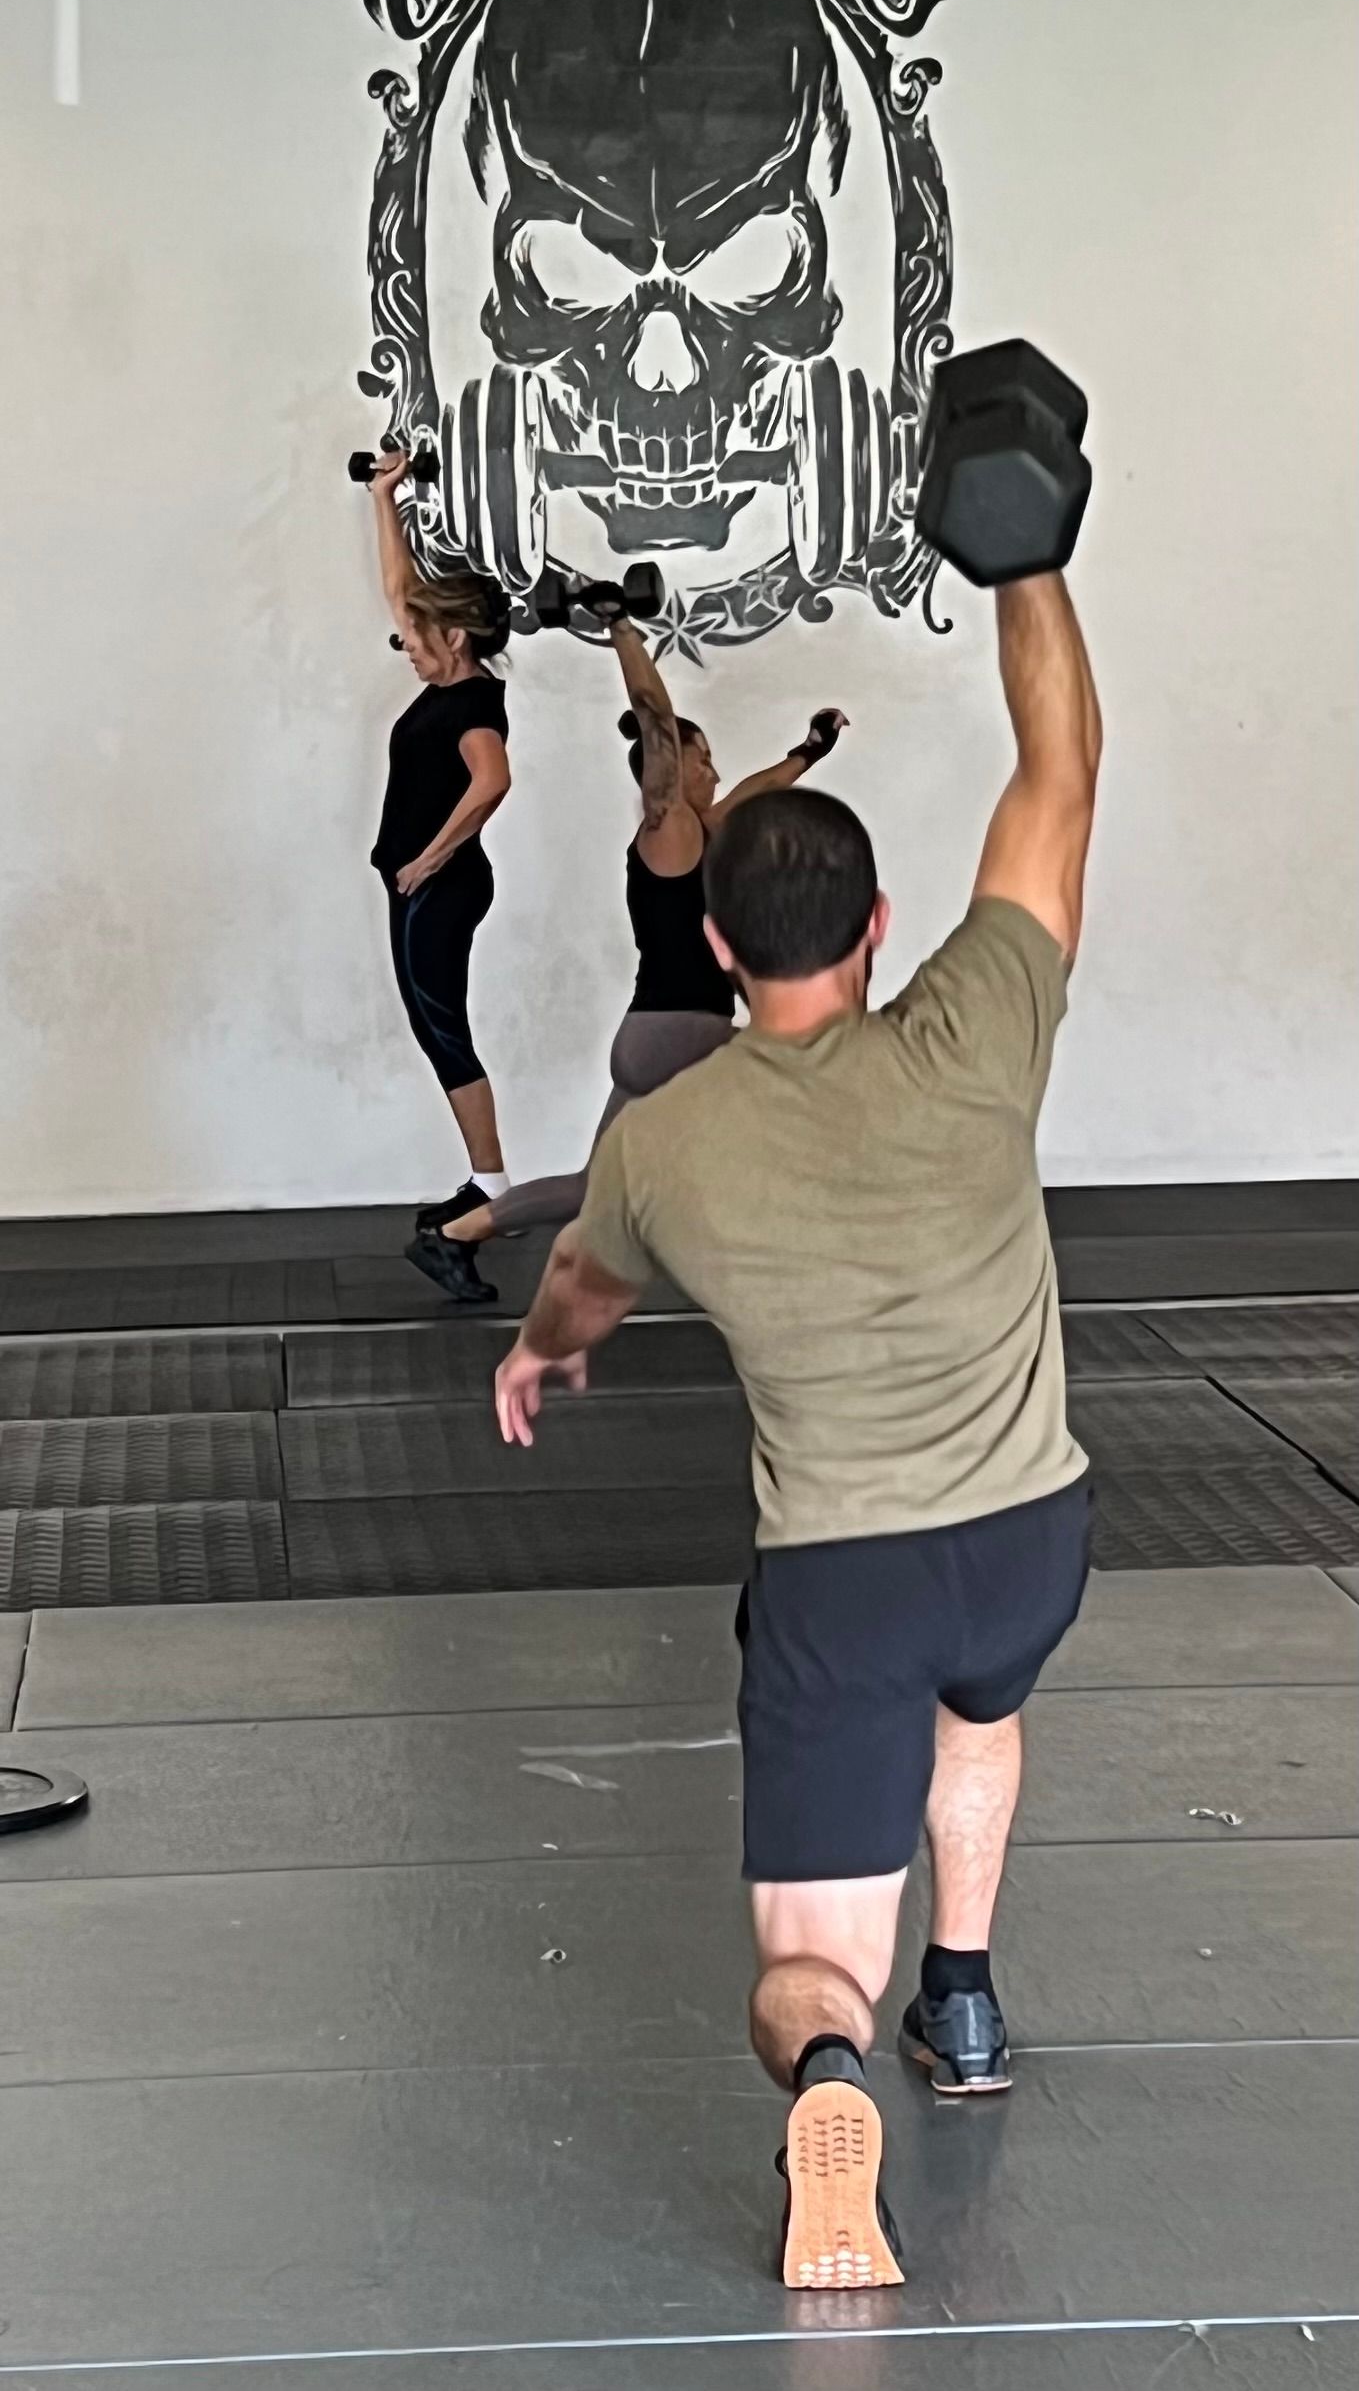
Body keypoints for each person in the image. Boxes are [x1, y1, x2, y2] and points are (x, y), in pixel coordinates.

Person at [493, 572, 1102, 2290]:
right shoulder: (975, 1027)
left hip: (843, 1581)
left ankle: (839, 2065)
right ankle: (963, 1996)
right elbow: (1056, 775)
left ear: (714, 945)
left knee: (801, 1966)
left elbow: (575, 1288)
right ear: (881, 925)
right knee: (977, 1714)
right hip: (1028, 1535)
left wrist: (540, 1357)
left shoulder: (664, 1144)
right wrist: (1025, 558)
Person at [405, 591, 847, 1302]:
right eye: (704, 762)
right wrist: (620, 629)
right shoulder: (668, 830)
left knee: (593, 1187)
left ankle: (455, 1237)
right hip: (681, 1034)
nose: (713, 774)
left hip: (661, 1036)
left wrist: (807, 753)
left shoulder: (700, 833)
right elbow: (655, 719)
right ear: (670, 770)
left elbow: (758, 791)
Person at [367, 452, 513, 1206]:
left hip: (442, 886)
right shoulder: (448, 676)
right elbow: (400, 590)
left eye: (418, 641)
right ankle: (483, 1178)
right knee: (434, 1032)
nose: (409, 649)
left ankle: (489, 1182)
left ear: (455, 639)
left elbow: (493, 782)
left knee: (444, 1029)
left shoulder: (473, 705)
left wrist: (427, 862)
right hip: (421, 885)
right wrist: (381, 496)